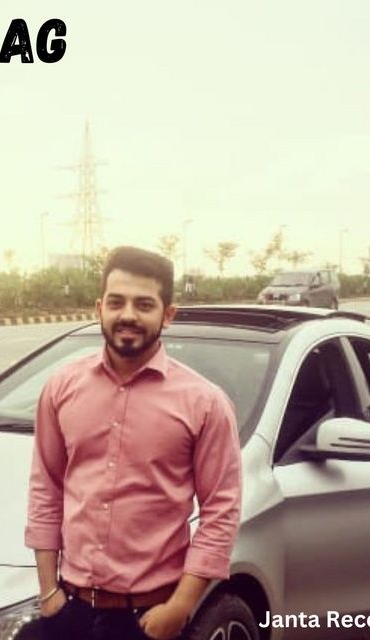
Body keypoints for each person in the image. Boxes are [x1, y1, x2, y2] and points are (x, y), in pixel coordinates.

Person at [25, 246, 242, 640]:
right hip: (69, 610)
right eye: (116, 302)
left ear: (167, 314)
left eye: (144, 304)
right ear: (99, 309)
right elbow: (46, 487)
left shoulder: (205, 403)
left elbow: (221, 511)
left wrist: (180, 607)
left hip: (150, 618)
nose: (127, 315)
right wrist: (48, 591)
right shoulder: (62, 387)